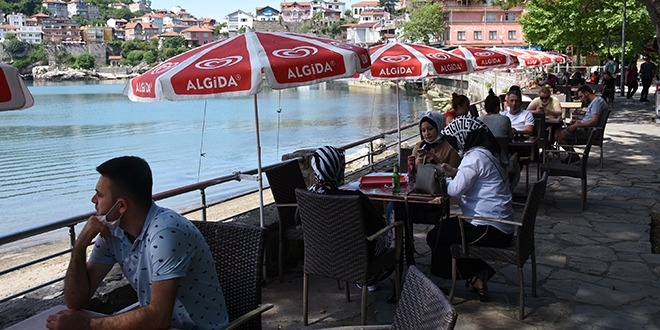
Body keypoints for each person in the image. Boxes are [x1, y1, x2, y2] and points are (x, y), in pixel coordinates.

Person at [46, 156, 228, 330]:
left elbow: (158, 316)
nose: (93, 200)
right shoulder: (111, 232)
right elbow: (75, 301)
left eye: (99, 195)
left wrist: (88, 324)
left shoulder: (166, 232)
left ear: (121, 206)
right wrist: (79, 247)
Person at [426, 116, 514, 301]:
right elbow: (475, 177)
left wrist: (437, 181)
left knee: (436, 236)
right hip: (501, 225)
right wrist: (454, 172)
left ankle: (476, 272)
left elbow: (455, 190)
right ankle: (476, 273)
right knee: (445, 231)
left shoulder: (473, 157)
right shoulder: (487, 153)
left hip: (489, 227)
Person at [309, 146, 391, 291]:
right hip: (358, 256)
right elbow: (379, 224)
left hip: (323, 255)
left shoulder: (308, 196)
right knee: (388, 235)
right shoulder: (353, 198)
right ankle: (370, 276)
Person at [555, 85, 606, 164]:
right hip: (587, 129)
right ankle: (572, 156)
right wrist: (577, 122)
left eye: (581, 96)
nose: (581, 99)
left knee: (559, 135)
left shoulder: (597, 103)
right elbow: (589, 119)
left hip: (591, 132)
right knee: (558, 131)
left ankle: (574, 157)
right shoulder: (595, 102)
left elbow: (594, 122)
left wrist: (577, 126)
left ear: (587, 93)